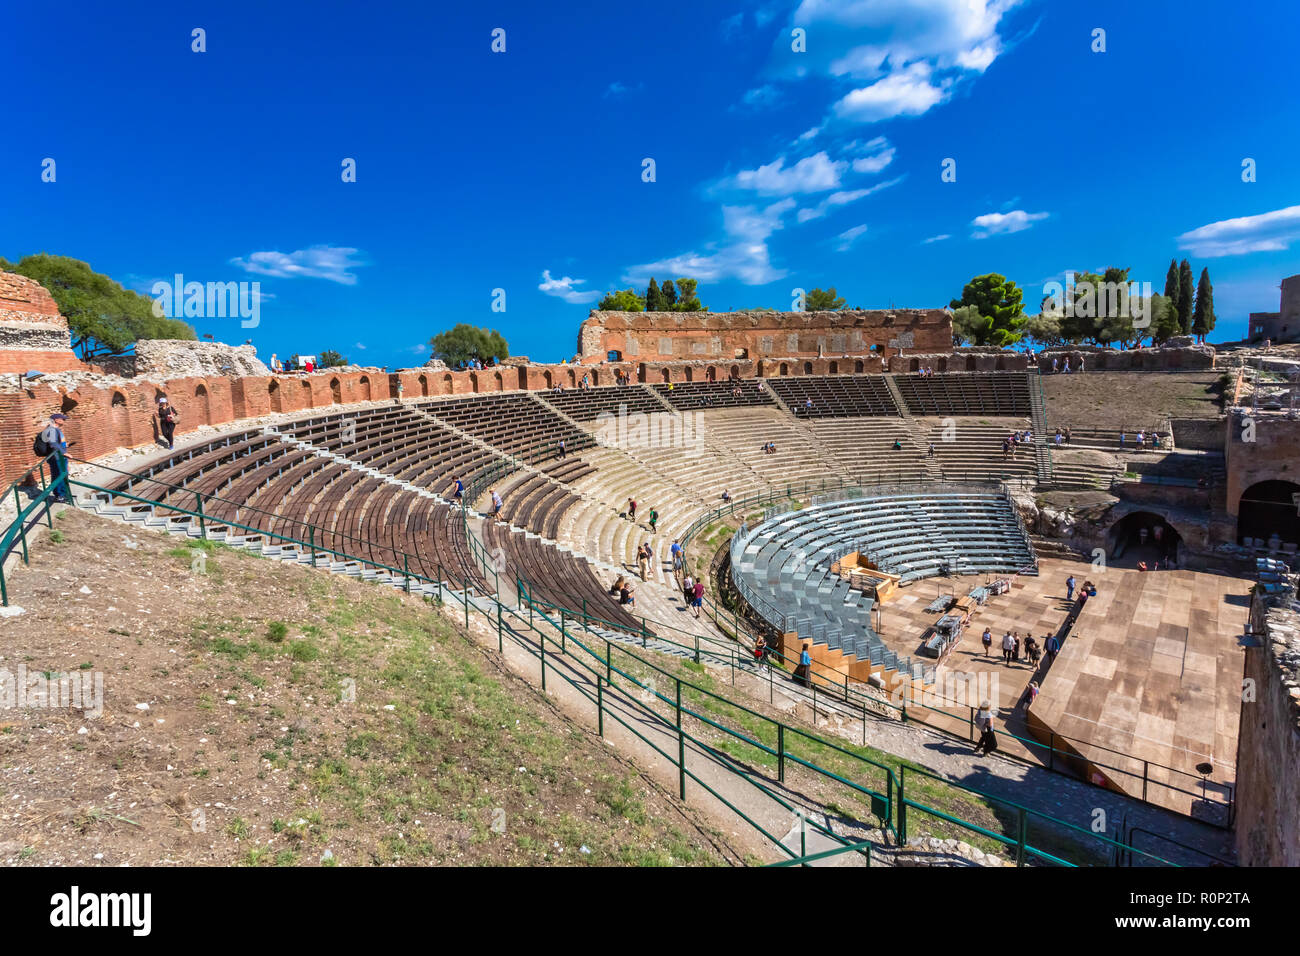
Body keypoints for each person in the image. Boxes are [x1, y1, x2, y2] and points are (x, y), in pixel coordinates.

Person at [37, 413, 71, 503]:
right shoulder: (51, 430)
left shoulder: (56, 430)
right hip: (56, 457)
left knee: (63, 474)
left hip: (60, 456)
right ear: (56, 420)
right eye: (63, 419)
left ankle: (65, 494)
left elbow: (57, 442)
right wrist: (64, 452)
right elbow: (53, 444)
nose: (64, 420)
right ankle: (60, 496)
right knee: (58, 475)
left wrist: (65, 446)